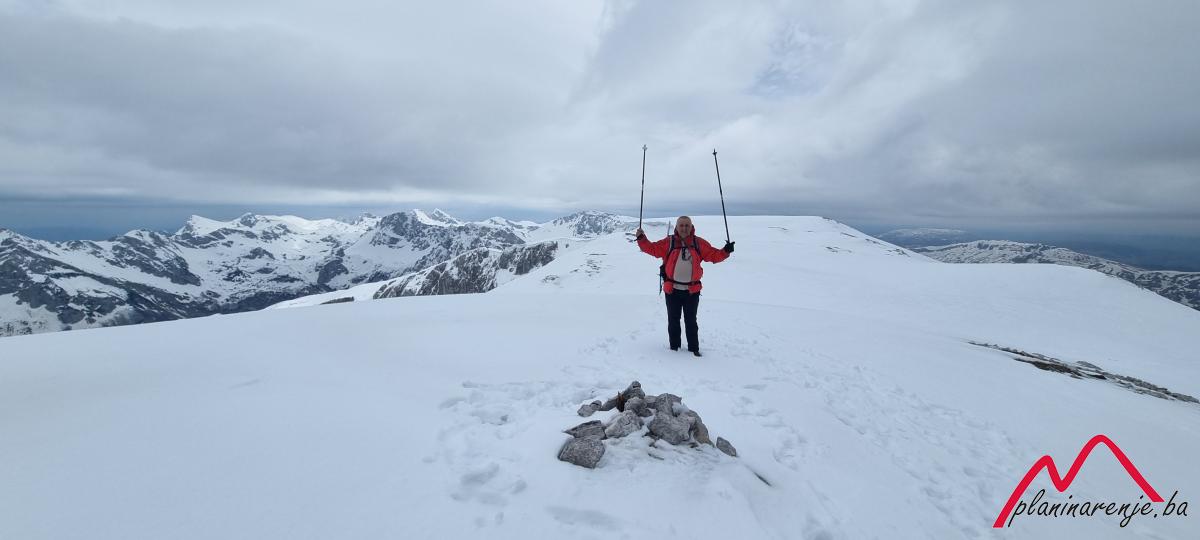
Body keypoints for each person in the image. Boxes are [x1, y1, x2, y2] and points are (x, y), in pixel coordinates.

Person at [635, 216, 734, 357]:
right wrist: (641, 239)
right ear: (676, 227)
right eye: (681, 225)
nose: (684, 228)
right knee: (673, 321)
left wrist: (725, 251)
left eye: (687, 225)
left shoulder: (698, 243)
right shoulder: (669, 242)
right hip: (672, 290)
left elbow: (713, 255)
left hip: (692, 291)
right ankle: (674, 349)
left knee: (691, 321)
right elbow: (652, 249)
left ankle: (694, 350)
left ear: (691, 227)